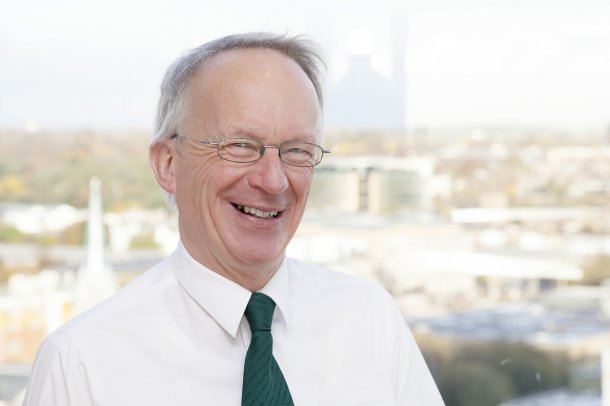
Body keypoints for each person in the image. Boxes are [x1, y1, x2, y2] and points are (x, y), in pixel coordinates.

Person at [23, 32, 444, 405]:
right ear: (168, 164)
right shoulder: (83, 363)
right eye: (241, 145)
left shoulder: (368, 319)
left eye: (297, 150)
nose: (274, 180)